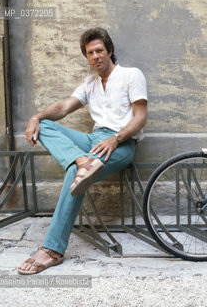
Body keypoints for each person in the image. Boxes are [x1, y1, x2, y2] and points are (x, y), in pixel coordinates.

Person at [17, 27, 147, 275]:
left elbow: (140, 118)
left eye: (99, 50)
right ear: (86, 57)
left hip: (122, 143)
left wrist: (116, 139)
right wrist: (36, 116)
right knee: (45, 125)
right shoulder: (90, 83)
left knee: (75, 173)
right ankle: (82, 161)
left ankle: (52, 249)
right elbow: (64, 107)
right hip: (92, 141)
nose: (95, 56)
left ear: (109, 51)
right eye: (90, 53)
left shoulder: (131, 75)